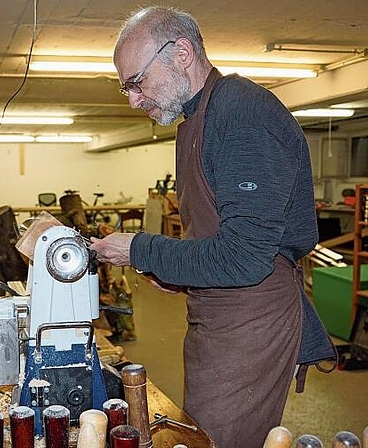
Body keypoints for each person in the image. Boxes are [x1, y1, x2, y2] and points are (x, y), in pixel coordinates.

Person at [89, 6, 335, 448]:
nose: (133, 99)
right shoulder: (198, 118)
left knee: (220, 439)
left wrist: (141, 250)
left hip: (251, 314)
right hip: (218, 310)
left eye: (136, 82)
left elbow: (244, 257)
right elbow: (220, 235)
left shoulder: (243, 115)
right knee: (201, 430)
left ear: (181, 52)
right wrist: (178, 273)